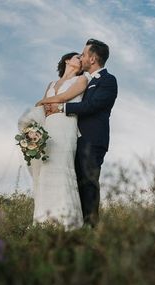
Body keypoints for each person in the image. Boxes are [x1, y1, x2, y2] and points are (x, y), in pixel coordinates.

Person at [42, 39, 118, 227]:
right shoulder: (82, 80)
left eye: (83, 54)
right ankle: (73, 224)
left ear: (92, 59)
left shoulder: (108, 80)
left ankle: (90, 227)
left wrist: (62, 108)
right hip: (73, 140)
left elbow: (93, 105)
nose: (81, 57)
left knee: (88, 183)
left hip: (92, 139)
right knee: (74, 183)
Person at [26, 52, 87, 230]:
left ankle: (67, 221)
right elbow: (44, 111)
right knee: (46, 168)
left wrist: (41, 101)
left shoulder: (81, 80)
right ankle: (43, 220)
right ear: (67, 60)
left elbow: (63, 97)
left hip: (66, 125)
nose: (81, 60)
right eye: (78, 56)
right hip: (49, 126)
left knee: (62, 167)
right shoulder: (51, 84)